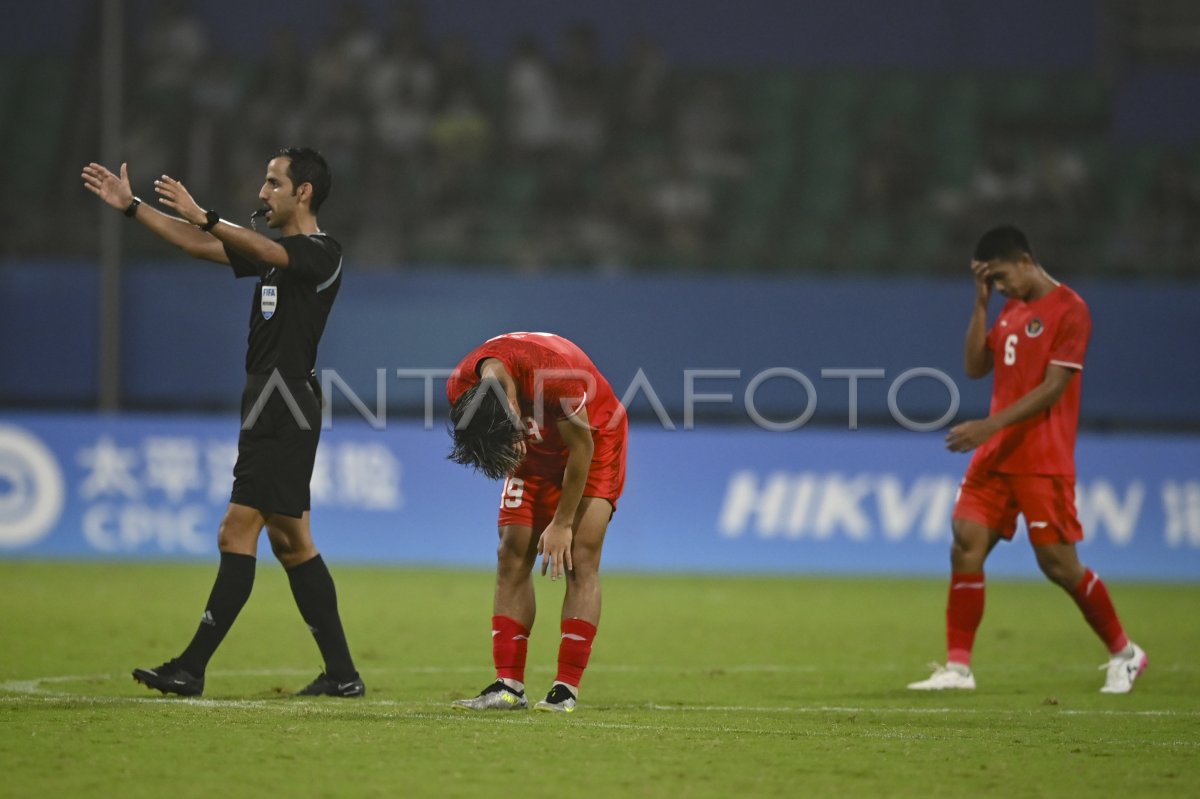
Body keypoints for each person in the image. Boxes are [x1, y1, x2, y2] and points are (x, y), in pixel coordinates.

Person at [80, 148, 364, 698]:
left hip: (283, 402)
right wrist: (131, 206)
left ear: (304, 192)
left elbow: (253, 246)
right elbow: (196, 244)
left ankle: (191, 667)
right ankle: (343, 674)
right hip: (268, 398)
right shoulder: (273, 254)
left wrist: (206, 214)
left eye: (273, 183)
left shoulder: (321, 254)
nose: (263, 193)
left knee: (237, 529)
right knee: (292, 542)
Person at [908, 225, 1146, 694]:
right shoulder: (1010, 309)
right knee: (965, 544)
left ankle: (1125, 652)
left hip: (1041, 456)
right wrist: (980, 304)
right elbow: (976, 367)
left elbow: (1054, 387)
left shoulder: (1070, 310)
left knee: (1058, 565)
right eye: (991, 283)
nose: (999, 288)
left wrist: (987, 426)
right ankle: (958, 669)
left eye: (999, 277)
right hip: (996, 457)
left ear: (1023, 260)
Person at [446, 332, 627, 713]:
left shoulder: (555, 375)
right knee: (511, 551)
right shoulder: (461, 388)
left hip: (593, 439)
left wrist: (562, 522)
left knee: (581, 552)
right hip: (533, 449)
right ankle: (509, 686)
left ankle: (566, 689)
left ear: (514, 404)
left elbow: (583, 447)